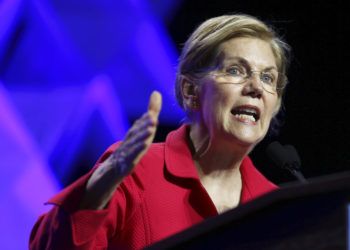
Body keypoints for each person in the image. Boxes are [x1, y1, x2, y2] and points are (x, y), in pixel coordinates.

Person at [29, 13, 290, 249]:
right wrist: (95, 195)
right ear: (190, 92)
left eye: (268, 78)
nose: (256, 87)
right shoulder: (136, 171)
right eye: (235, 70)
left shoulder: (276, 206)